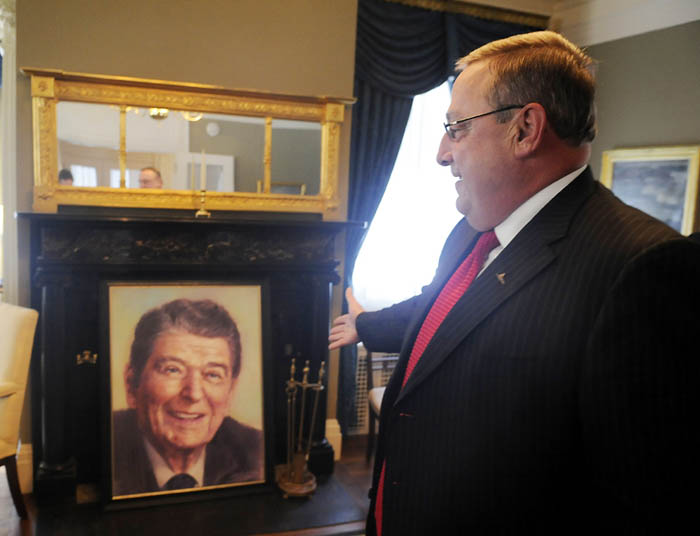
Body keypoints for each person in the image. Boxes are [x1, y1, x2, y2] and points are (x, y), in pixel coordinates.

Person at [329, 31, 700, 535]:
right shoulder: (470, 232)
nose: (441, 153)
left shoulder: (641, 268)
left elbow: (646, 499)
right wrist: (365, 323)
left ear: (525, 128)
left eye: (456, 128)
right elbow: (440, 312)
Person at [112, 298, 263, 496]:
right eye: (172, 370)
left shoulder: (255, 453)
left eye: (212, 374)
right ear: (132, 385)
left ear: (230, 393)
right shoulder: (106, 447)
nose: (193, 393)